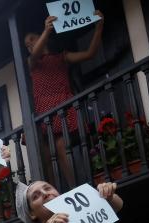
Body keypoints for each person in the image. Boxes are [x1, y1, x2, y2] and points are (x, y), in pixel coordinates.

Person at [25, 13, 104, 187]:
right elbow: (36, 53)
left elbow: (90, 53)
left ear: (41, 37)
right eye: (27, 44)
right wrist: (46, 31)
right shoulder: (32, 62)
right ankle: (51, 197)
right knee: (45, 154)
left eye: (32, 38)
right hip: (45, 114)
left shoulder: (62, 57)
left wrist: (99, 27)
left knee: (61, 145)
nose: (29, 43)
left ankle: (76, 188)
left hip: (63, 110)